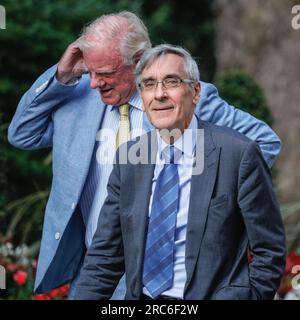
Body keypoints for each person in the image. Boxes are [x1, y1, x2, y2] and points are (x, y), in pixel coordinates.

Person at [8, 12, 281, 299]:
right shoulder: (76, 97)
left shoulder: (182, 98)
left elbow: (262, 143)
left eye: (106, 73)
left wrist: (214, 195)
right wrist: (62, 75)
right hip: (97, 268)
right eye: (91, 71)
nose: (95, 82)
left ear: (137, 61)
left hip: (182, 278)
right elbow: (22, 134)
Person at [74, 44, 286, 300]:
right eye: (149, 84)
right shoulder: (129, 158)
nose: (159, 94)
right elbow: (105, 257)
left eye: (171, 82)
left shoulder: (237, 154)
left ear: (195, 92)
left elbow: (270, 251)